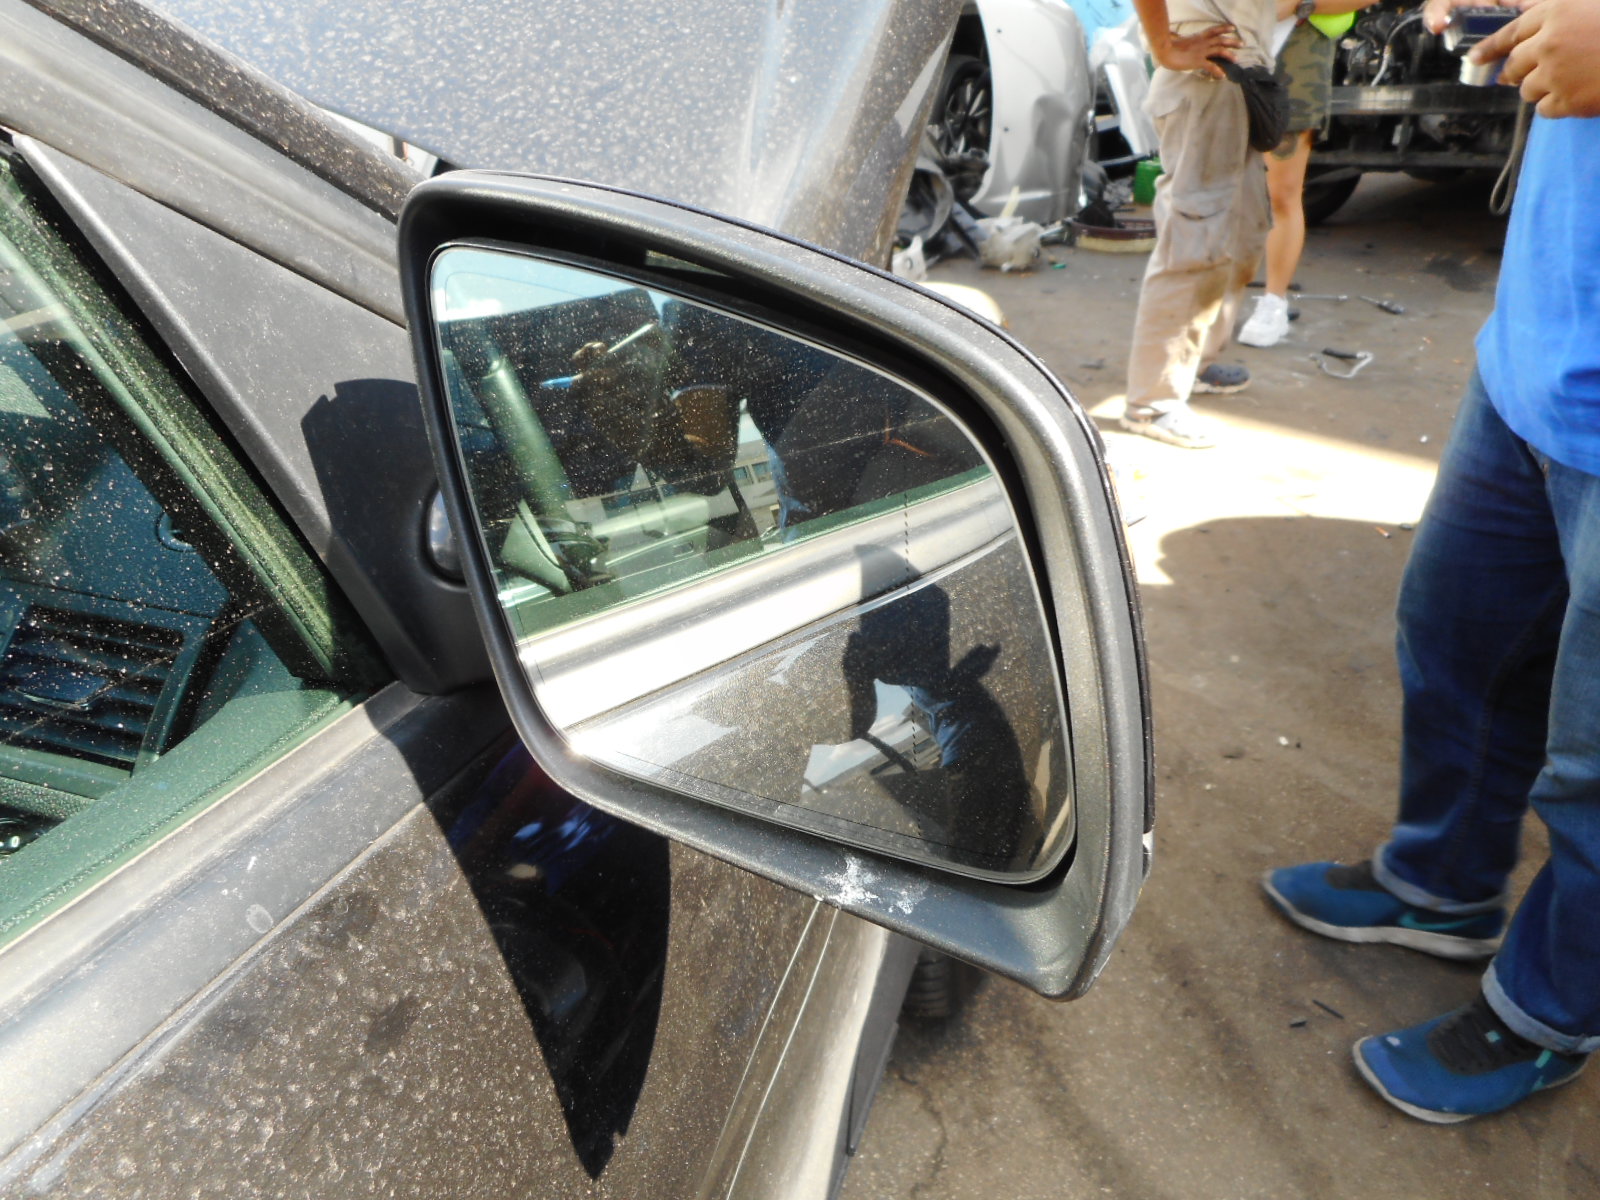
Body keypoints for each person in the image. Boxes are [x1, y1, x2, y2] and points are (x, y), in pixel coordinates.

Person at [1262, 0, 1600, 1123]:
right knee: (1457, 641)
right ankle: (1441, 886)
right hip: (1534, 356)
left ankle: (1548, 1012)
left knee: (1596, 770)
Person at [1120, 0, 1286, 449]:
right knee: (1193, 244)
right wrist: (1165, 47)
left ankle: (1194, 364)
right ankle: (1152, 402)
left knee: (1244, 235)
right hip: (1204, 80)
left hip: (1242, 83)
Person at [1237, 7, 1369, 348]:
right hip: (1233, 36)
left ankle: (1273, 302)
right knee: (1219, 183)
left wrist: (1301, 3)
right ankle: (1211, 293)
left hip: (1298, 44)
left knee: (1281, 191)